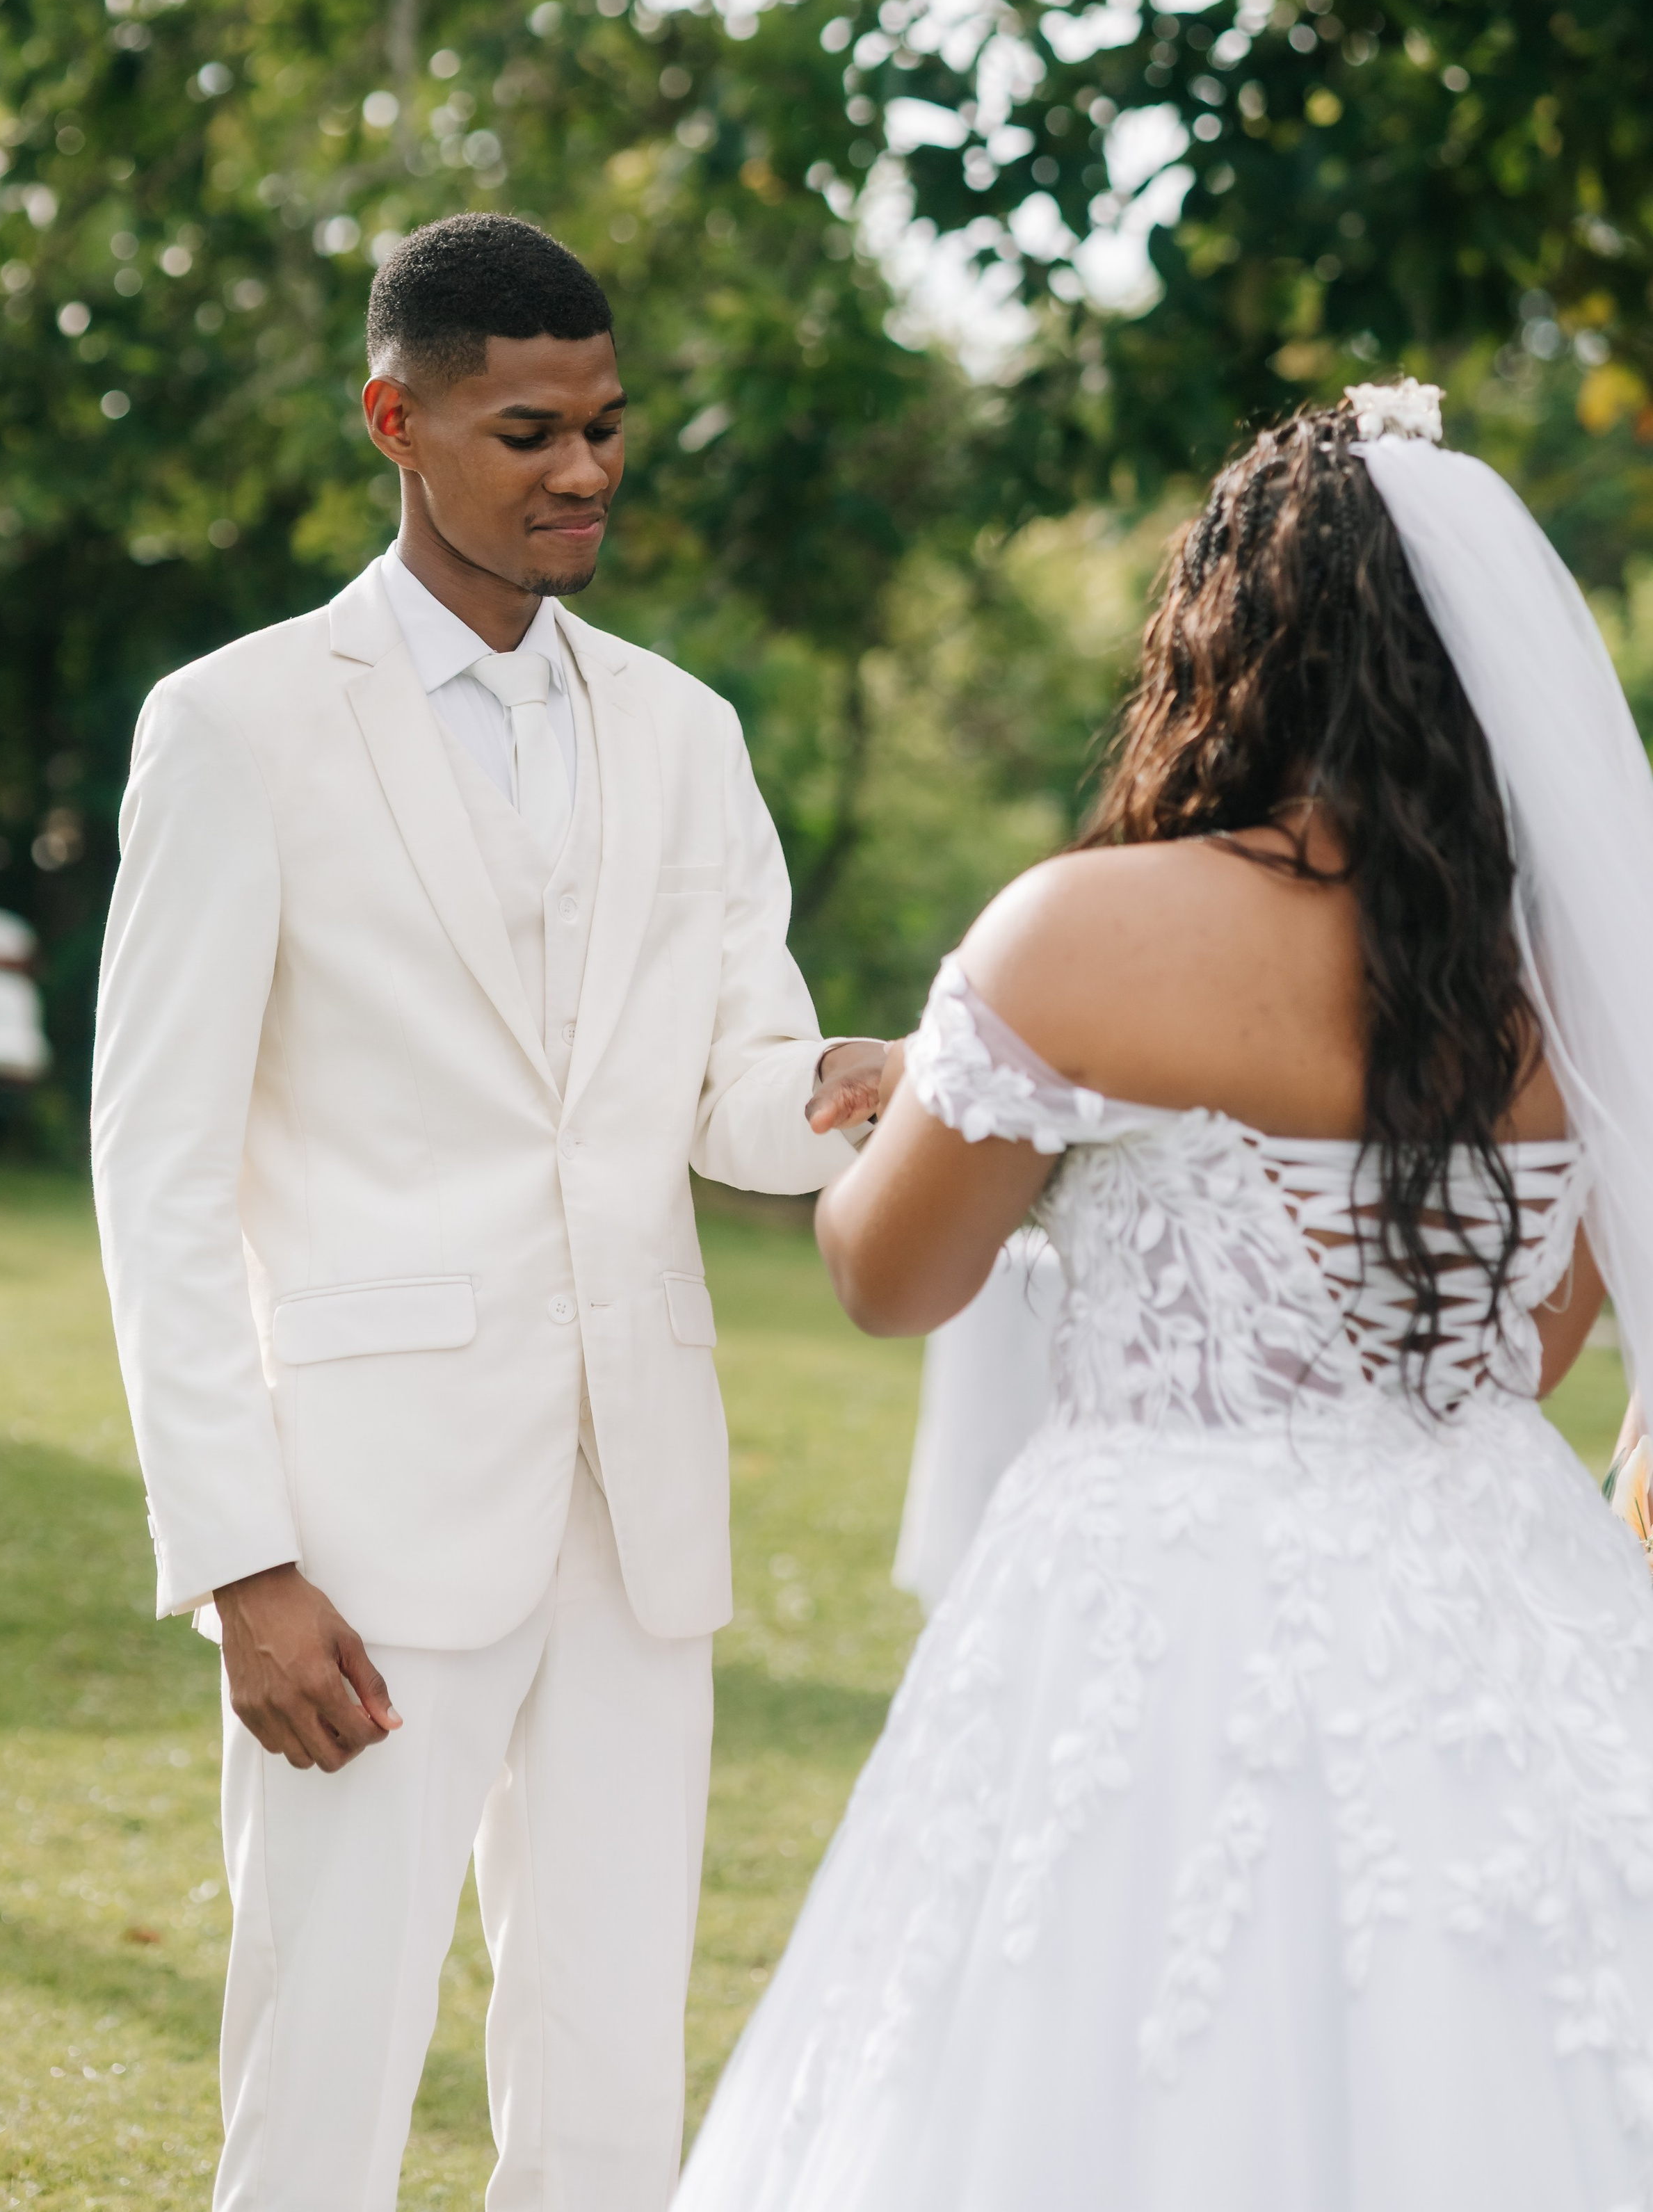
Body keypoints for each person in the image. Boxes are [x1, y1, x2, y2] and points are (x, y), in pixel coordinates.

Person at [675, 383, 1653, 2212]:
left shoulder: (1083, 936)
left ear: (1234, 641)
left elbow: (892, 1276)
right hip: (1500, 1589)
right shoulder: (1574, 993)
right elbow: (1527, 1351)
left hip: (1150, 1597)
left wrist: (956, 1120)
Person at [90, 213, 886, 2212]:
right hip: (358, 1528)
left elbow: (735, 1089)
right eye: (531, 430)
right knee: (327, 2056)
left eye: (610, 428)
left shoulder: (688, 733)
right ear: (398, 421)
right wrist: (237, 1564)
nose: (587, 471)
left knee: (612, 2069)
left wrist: (857, 1092)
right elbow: (158, 1174)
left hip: (641, 1508)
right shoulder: (239, 726)